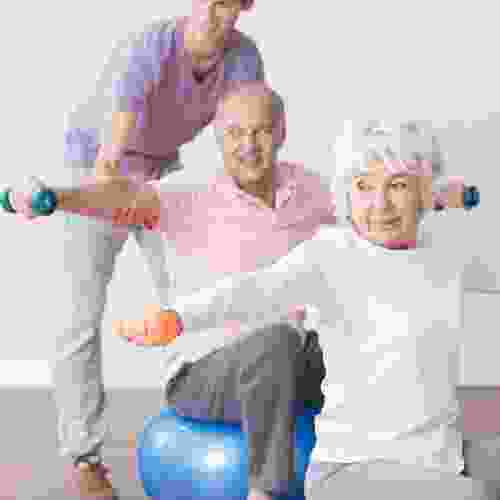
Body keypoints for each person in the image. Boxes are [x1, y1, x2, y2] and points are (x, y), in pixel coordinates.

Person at [1, 86, 478, 499]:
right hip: (207, 373)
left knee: (363, 333)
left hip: (293, 362)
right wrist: (55, 197)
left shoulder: (311, 190)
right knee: (274, 342)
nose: (248, 146)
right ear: (218, 138)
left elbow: (373, 202)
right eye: (235, 134)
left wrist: (438, 194)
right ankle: (265, 489)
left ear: (282, 131)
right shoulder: (184, 195)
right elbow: (117, 196)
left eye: (261, 131)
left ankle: (415, 457)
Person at [114, 120, 492, 499]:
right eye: (363, 187)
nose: (380, 204)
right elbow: (253, 290)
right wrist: (180, 317)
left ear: (425, 191)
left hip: (440, 461)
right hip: (352, 467)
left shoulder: (449, 258)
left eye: (397, 186)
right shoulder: (331, 255)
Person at [49, 0, 263, 497]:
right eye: (210, 1)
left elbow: (245, 137)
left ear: (246, 5)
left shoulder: (243, 58)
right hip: (96, 166)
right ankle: (83, 457)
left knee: (191, 296)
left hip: (161, 167)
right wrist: (105, 189)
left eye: (229, 2)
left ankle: (200, 406)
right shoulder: (149, 47)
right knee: (80, 315)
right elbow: (112, 151)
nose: (215, 13)